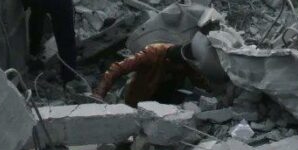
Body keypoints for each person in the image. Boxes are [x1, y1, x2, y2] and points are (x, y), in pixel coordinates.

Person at [93, 33, 223, 106]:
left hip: (165, 99)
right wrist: (100, 93)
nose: (180, 69)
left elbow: (198, 80)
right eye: (177, 67)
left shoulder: (186, 61)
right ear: (169, 60)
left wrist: (216, 93)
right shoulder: (152, 53)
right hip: (141, 98)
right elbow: (117, 68)